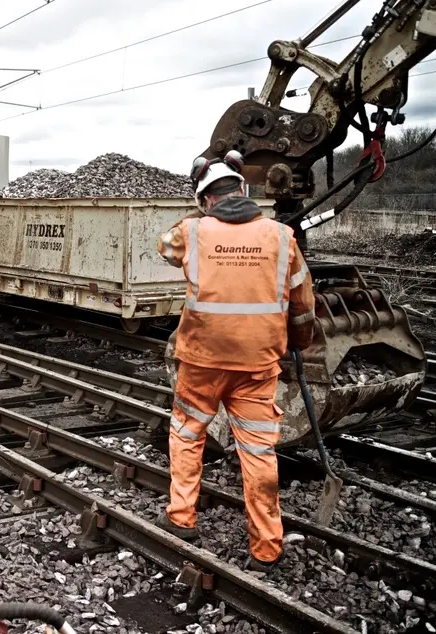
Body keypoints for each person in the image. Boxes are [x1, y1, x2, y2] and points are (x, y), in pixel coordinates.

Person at [154, 151, 315, 571]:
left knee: (188, 435)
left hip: (202, 363)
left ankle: (182, 518)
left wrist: (204, 225)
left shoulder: (190, 231)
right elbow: (302, 305)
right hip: (258, 366)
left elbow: (165, 250)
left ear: (205, 199)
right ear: (244, 190)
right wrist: (297, 342)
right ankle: (266, 548)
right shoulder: (282, 236)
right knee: (259, 452)